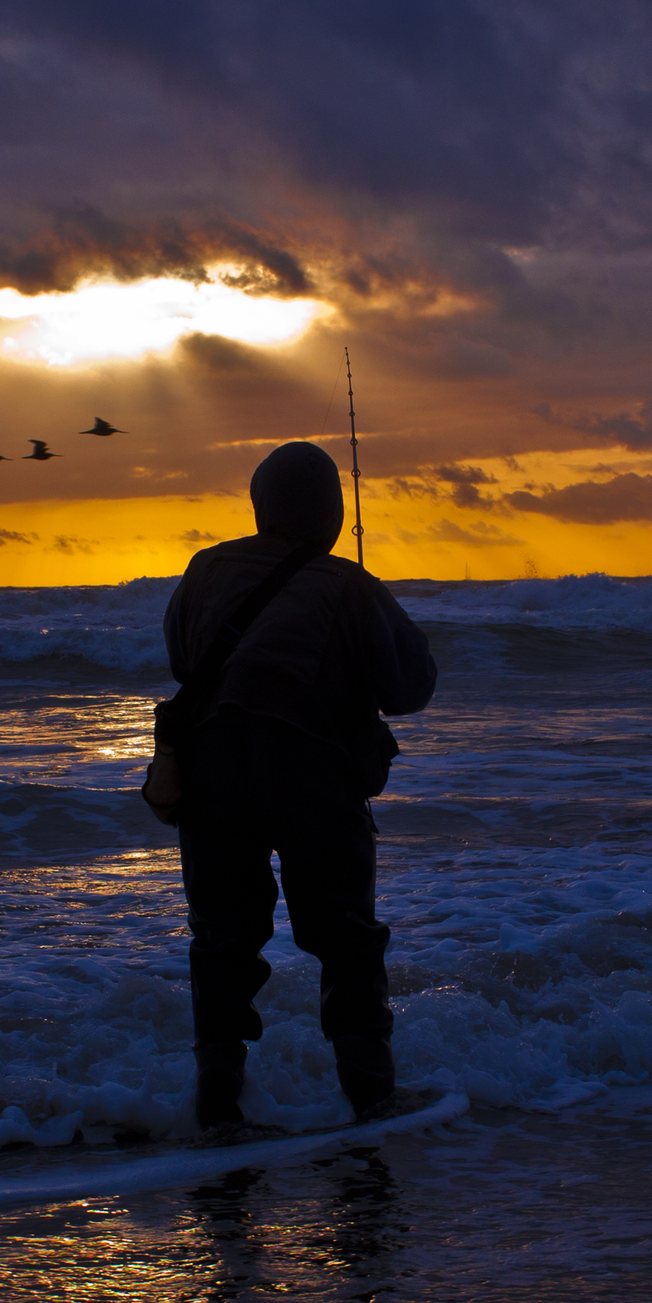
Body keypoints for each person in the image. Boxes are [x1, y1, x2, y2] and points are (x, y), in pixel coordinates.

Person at [162, 440, 436, 1128]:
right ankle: (371, 1099)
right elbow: (411, 684)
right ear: (332, 512)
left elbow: (181, 658)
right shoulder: (347, 584)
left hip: (210, 774)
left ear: (260, 509)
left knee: (222, 941)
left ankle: (217, 1106)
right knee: (345, 940)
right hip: (311, 776)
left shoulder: (202, 571)